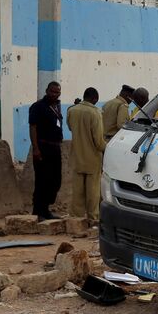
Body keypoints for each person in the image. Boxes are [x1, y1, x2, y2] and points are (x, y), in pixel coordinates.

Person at [67, 87, 106, 223]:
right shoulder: (96, 113)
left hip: (77, 156)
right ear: (94, 98)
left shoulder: (72, 110)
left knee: (77, 191)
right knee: (93, 191)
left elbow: (70, 127)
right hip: (92, 158)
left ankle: (76, 219)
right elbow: (99, 140)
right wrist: (107, 149)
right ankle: (93, 218)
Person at [28, 81, 63, 220]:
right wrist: (36, 149)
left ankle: (46, 209)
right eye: (52, 92)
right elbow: (33, 127)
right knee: (42, 180)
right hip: (43, 148)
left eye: (57, 92)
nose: (55, 94)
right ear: (47, 91)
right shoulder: (38, 107)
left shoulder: (56, 106)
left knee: (55, 180)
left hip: (55, 147)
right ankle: (38, 211)